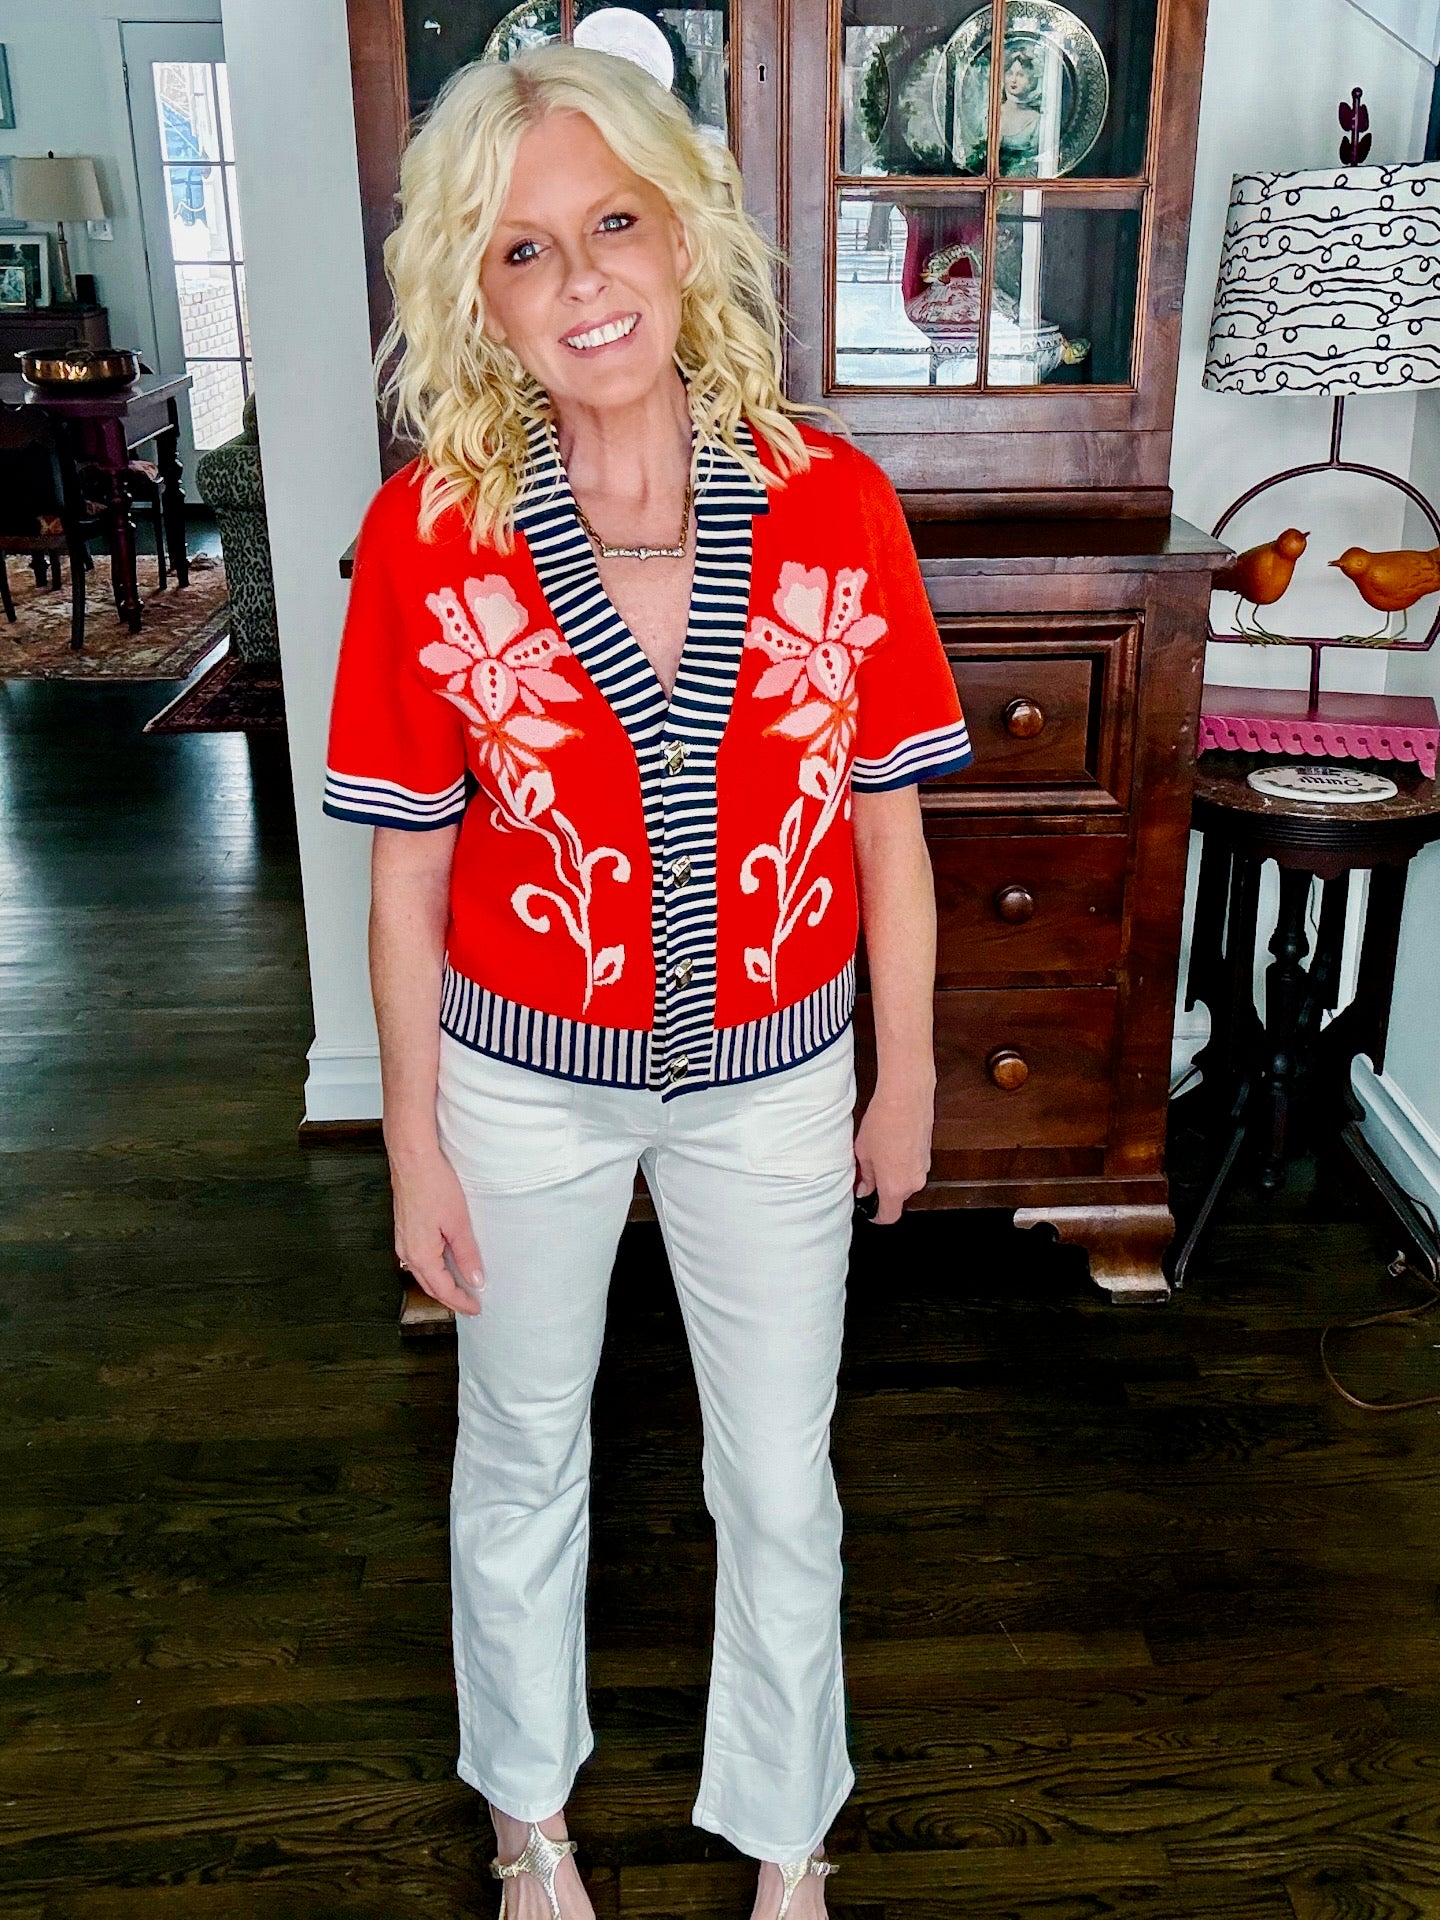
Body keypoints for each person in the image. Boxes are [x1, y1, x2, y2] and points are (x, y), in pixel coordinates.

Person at [323, 43, 971, 1920]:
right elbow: (406, 872)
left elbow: (888, 828)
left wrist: (907, 1075)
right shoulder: (433, 535)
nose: (583, 280)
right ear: (477, 293)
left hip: (775, 1087)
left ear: (686, 233)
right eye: (522, 250)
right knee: (522, 1453)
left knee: (778, 1477)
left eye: (613, 223)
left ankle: (788, 1830)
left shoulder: (834, 501)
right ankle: (528, 1820)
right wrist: (413, 1148)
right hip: (519, 1091)